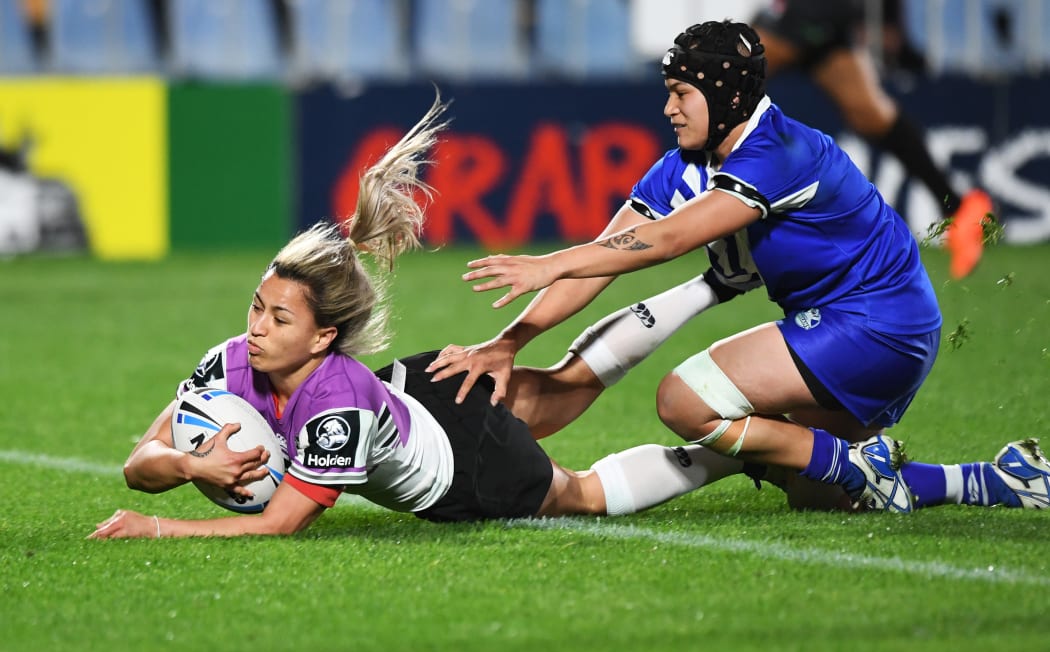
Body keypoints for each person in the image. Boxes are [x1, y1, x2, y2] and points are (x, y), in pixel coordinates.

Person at [430, 20, 1049, 514]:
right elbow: (606, 260)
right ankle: (993, 481)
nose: (669, 108)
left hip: (877, 325)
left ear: (725, 94)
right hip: (851, 330)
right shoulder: (683, 163)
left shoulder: (779, 151)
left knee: (684, 400)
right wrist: (511, 341)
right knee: (815, 491)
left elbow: (666, 240)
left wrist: (549, 264)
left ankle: (852, 461)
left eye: (681, 94)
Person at [87, 96, 741, 540]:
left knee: (586, 494)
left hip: (466, 469)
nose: (256, 327)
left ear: (323, 337)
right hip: (423, 387)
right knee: (571, 385)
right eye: (257, 307)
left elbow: (278, 524)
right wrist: (192, 467)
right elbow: (140, 460)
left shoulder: (334, 404)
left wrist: (159, 526)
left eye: (278, 319)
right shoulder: (231, 361)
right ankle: (718, 282)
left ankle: (735, 456)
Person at [750, 0, 993, 280]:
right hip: (815, 14)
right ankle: (959, 208)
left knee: (733, 75)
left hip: (811, 12)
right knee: (870, 114)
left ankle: (709, 202)